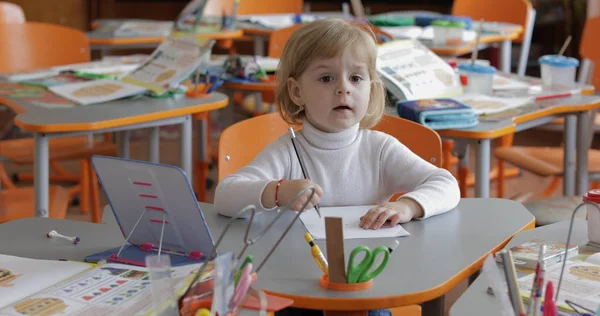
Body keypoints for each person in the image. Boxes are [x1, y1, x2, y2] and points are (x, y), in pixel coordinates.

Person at [214, 19, 460, 315]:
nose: (344, 89)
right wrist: (278, 191)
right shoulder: (287, 150)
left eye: (356, 78)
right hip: (300, 288)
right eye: (326, 78)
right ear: (296, 92)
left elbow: (446, 184)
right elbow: (225, 195)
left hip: (365, 288)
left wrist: (407, 206)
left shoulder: (379, 148)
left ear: (371, 87)